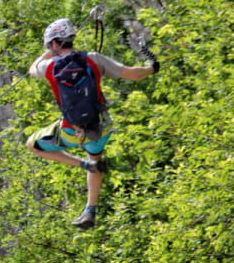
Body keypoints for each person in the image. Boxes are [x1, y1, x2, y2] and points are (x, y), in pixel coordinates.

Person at [26, 17, 156, 229]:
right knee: (95, 152)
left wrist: (49, 52)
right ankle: (90, 209)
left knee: (32, 144)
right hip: (100, 128)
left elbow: (32, 69)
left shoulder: (48, 66)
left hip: (71, 131)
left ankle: (85, 165)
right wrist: (153, 67)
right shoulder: (93, 59)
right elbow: (134, 74)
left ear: (55, 43)